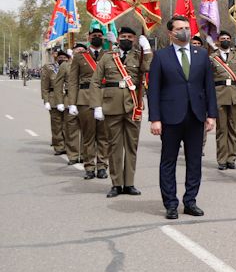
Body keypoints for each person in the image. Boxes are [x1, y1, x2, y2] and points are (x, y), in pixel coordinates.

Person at [147, 15, 218, 219]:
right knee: (168, 161)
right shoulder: (161, 56)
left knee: (194, 161)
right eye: (180, 28)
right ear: (171, 33)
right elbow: (154, 90)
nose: (185, 31)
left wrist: (211, 114)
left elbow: (209, 87)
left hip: (196, 115)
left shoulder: (201, 54)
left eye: (187, 27)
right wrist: (155, 118)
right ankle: (170, 203)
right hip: (170, 116)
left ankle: (190, 202)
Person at [95, 26, 153, 198]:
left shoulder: (139, 55)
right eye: (123, 36)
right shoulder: (107, 57)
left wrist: (148, 49)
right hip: (112, 106)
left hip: (132, 106)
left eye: (130, 36)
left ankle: (129, 183)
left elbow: (149, 69)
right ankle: (116, 184)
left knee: (131, 146)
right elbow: (96, 82)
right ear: (118, 38)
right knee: (114, 146)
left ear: (134, 39)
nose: (126, 39)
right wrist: (97, 105)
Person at [67, 22, 111, 180]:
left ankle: (102, 166)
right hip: (85, 98)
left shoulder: (109, 55)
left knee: (104, 135)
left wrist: (116, 45)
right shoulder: (80, 57)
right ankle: (89, 167)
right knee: (88, 135)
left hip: (105, 97)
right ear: (88, 38)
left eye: (100, 36)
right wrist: (72, 102)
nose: (97, 38)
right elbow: (72, 81)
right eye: (94, 36)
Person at [210, 31, 236, 170]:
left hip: (235, 96)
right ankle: (222, 160)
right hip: (220, 96)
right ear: (218, 41)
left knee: (234, 129)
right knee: (221, 130)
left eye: (228, 38)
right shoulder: (212, 57)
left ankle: (232, 158)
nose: (225, 40)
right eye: (223, 39)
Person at [41, 48, 70, 156]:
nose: (62, 59)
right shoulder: (50, 69)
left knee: (67, 124)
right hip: (53, 99)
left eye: (65, 58)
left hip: (67, 98)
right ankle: (59, 146)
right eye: (60, 57)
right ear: (57, 58)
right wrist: (46, 100)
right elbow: (44, 86)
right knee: (57, 124)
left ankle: (69, 146)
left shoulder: (71, 68)